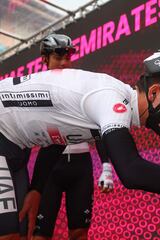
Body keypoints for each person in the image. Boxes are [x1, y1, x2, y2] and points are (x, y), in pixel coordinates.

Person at [0, 49, 160, 239]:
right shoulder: (112, 101)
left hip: (15, 148)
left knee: (21, 233)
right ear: (155, 92)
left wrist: (36, 189)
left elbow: (58, 135)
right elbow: (132, 172)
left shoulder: (115, 102)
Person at [30, 33, 114, 240]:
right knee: (40, 233)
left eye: (67, 58)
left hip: (80, 166)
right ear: (44, 60)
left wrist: (106, 167)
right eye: (58, 58)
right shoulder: (33, 87)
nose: (64, 63)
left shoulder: (82, 86)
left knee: (79, 233)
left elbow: (98, 126)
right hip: (50, 167)